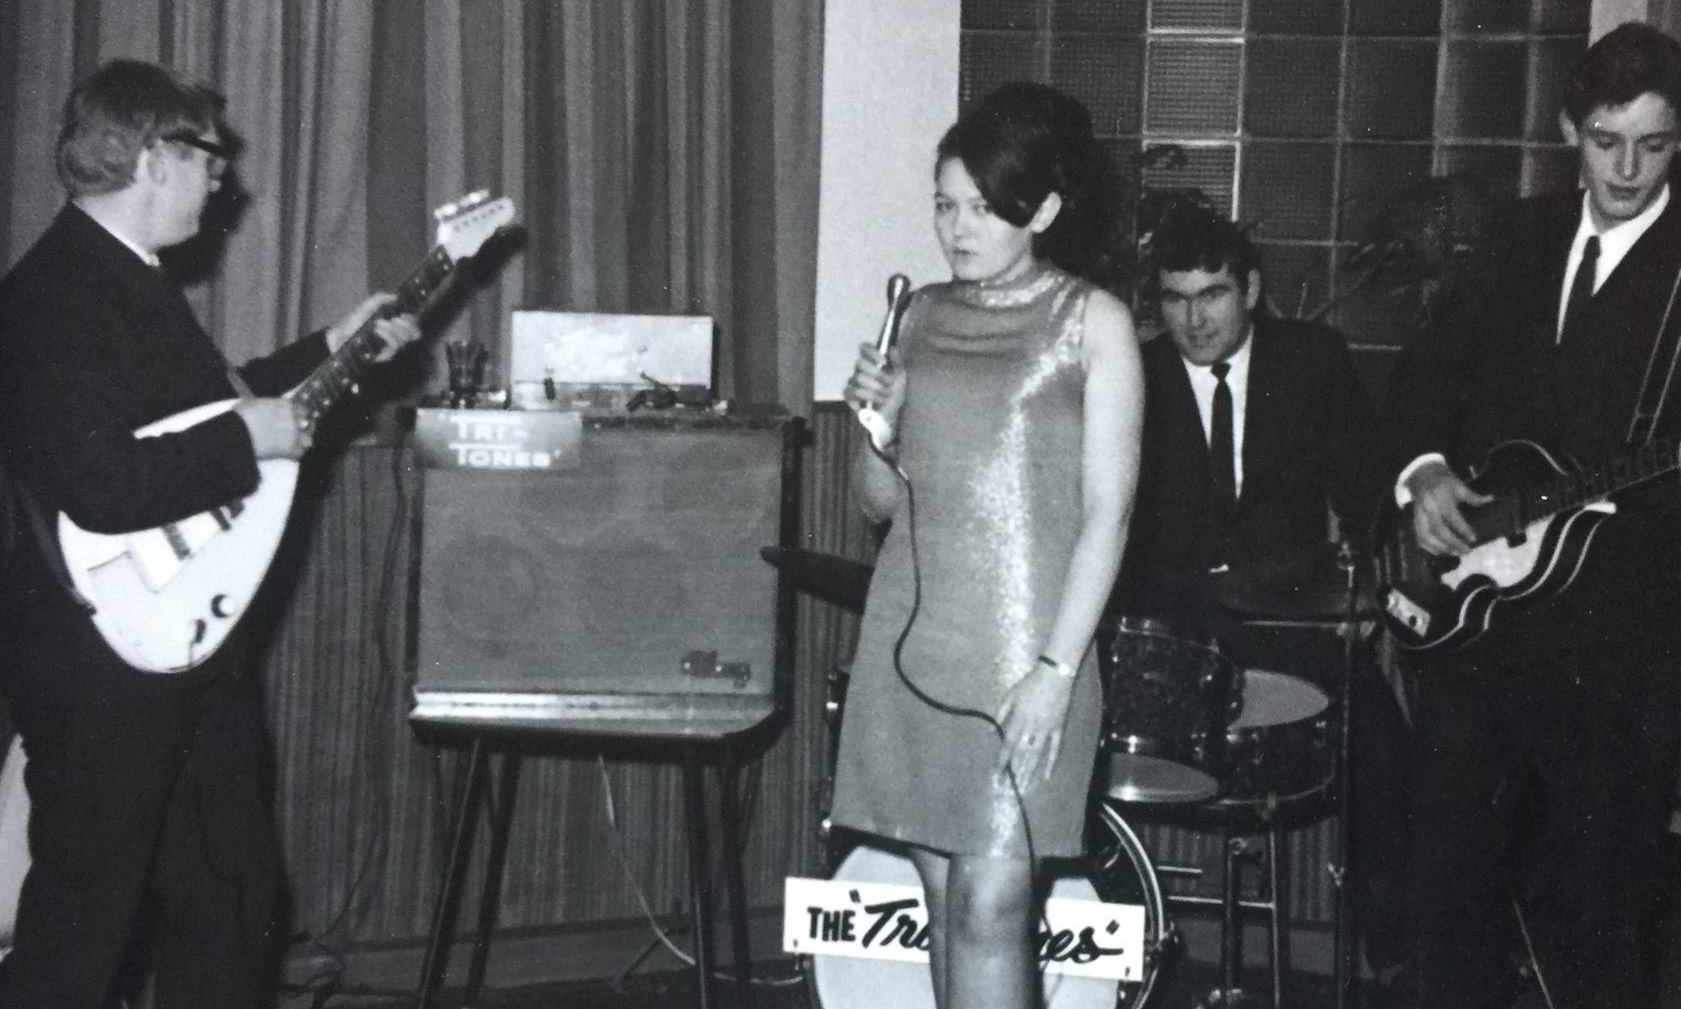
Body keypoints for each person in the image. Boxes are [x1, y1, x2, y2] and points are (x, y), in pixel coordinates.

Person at [0, 60, 421, 1008]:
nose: (220, 178)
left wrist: (331, 347)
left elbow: (201, 410)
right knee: (84, 921)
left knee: (229, 898)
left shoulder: (124, 277)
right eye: (206, 157)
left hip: (175, 645)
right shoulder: (51, 295)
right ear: (153, 158)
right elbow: (102, 483)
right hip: (101, 663)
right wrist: (245, 439)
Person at [1381, 22, 1681, 1009]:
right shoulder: (1517, 235)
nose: (1626, 170)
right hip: (1477, 632)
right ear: (1566, 130)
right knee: (1446, 904)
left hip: (1619, 652)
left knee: (1597, 924)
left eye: (1653, 144)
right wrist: (1424, 472)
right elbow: (1424, 379)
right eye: (1605, 141)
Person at [829, 82, 1142, 1008]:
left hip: (1028, 655)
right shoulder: (918, 315)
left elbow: (1109, 515)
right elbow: (879, 506)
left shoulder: (1092, 321)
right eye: (944, 205)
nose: (956, 229)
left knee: (992, 905)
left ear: (1041, 211)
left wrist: (1055, 670)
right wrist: (877, 430)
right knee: (943, 900)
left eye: (982, 208)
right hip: (914, 646)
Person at [1111, 204, 1412, 976]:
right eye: (1175, 299)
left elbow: (1367, 495)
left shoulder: (1312, 359)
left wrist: (1361, 594)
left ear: (1248, 289)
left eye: (1211, 294)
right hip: (1168, 631)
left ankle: (1394, 961)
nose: (1193, 319)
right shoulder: (1132, 372)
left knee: (1381, 741)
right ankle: (1098, 953)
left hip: (1289, 619)